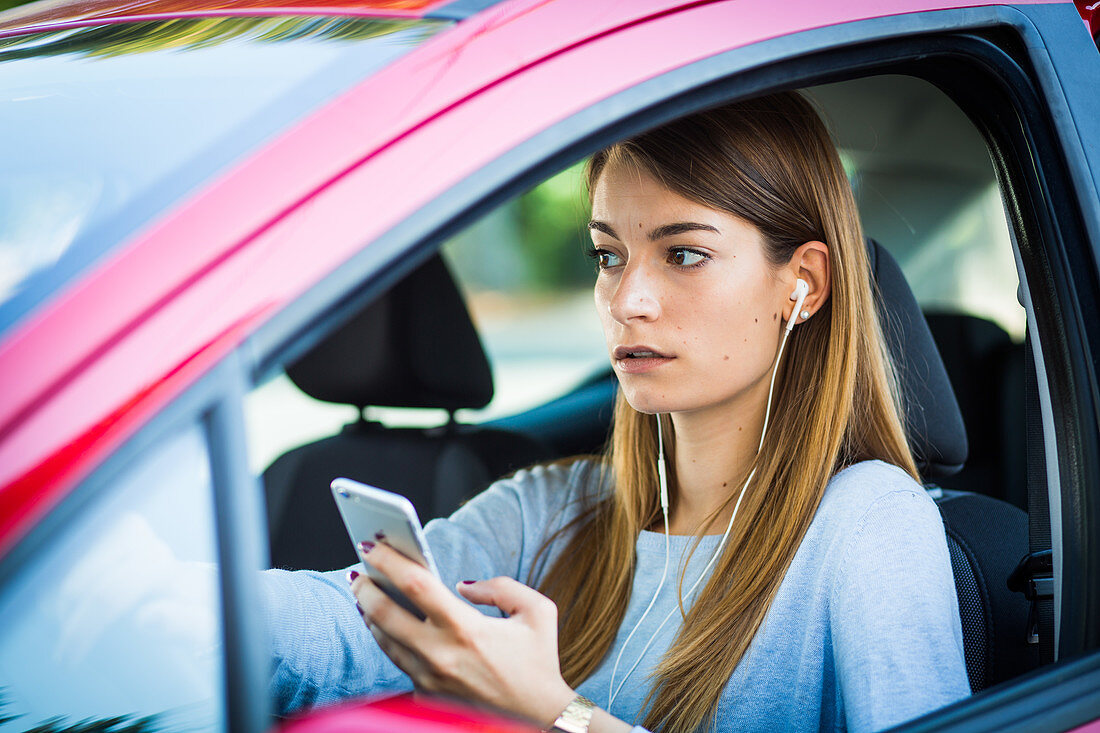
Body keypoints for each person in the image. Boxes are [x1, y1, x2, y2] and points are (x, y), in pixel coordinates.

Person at [261, 90, 970, 733]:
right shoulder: (555, 508)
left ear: (802, 284)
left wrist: (557, 714)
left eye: (684, 254)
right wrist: (160, 603)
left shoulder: (870, 524)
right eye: (608, 256)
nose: (627, 300)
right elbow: (333, 629)